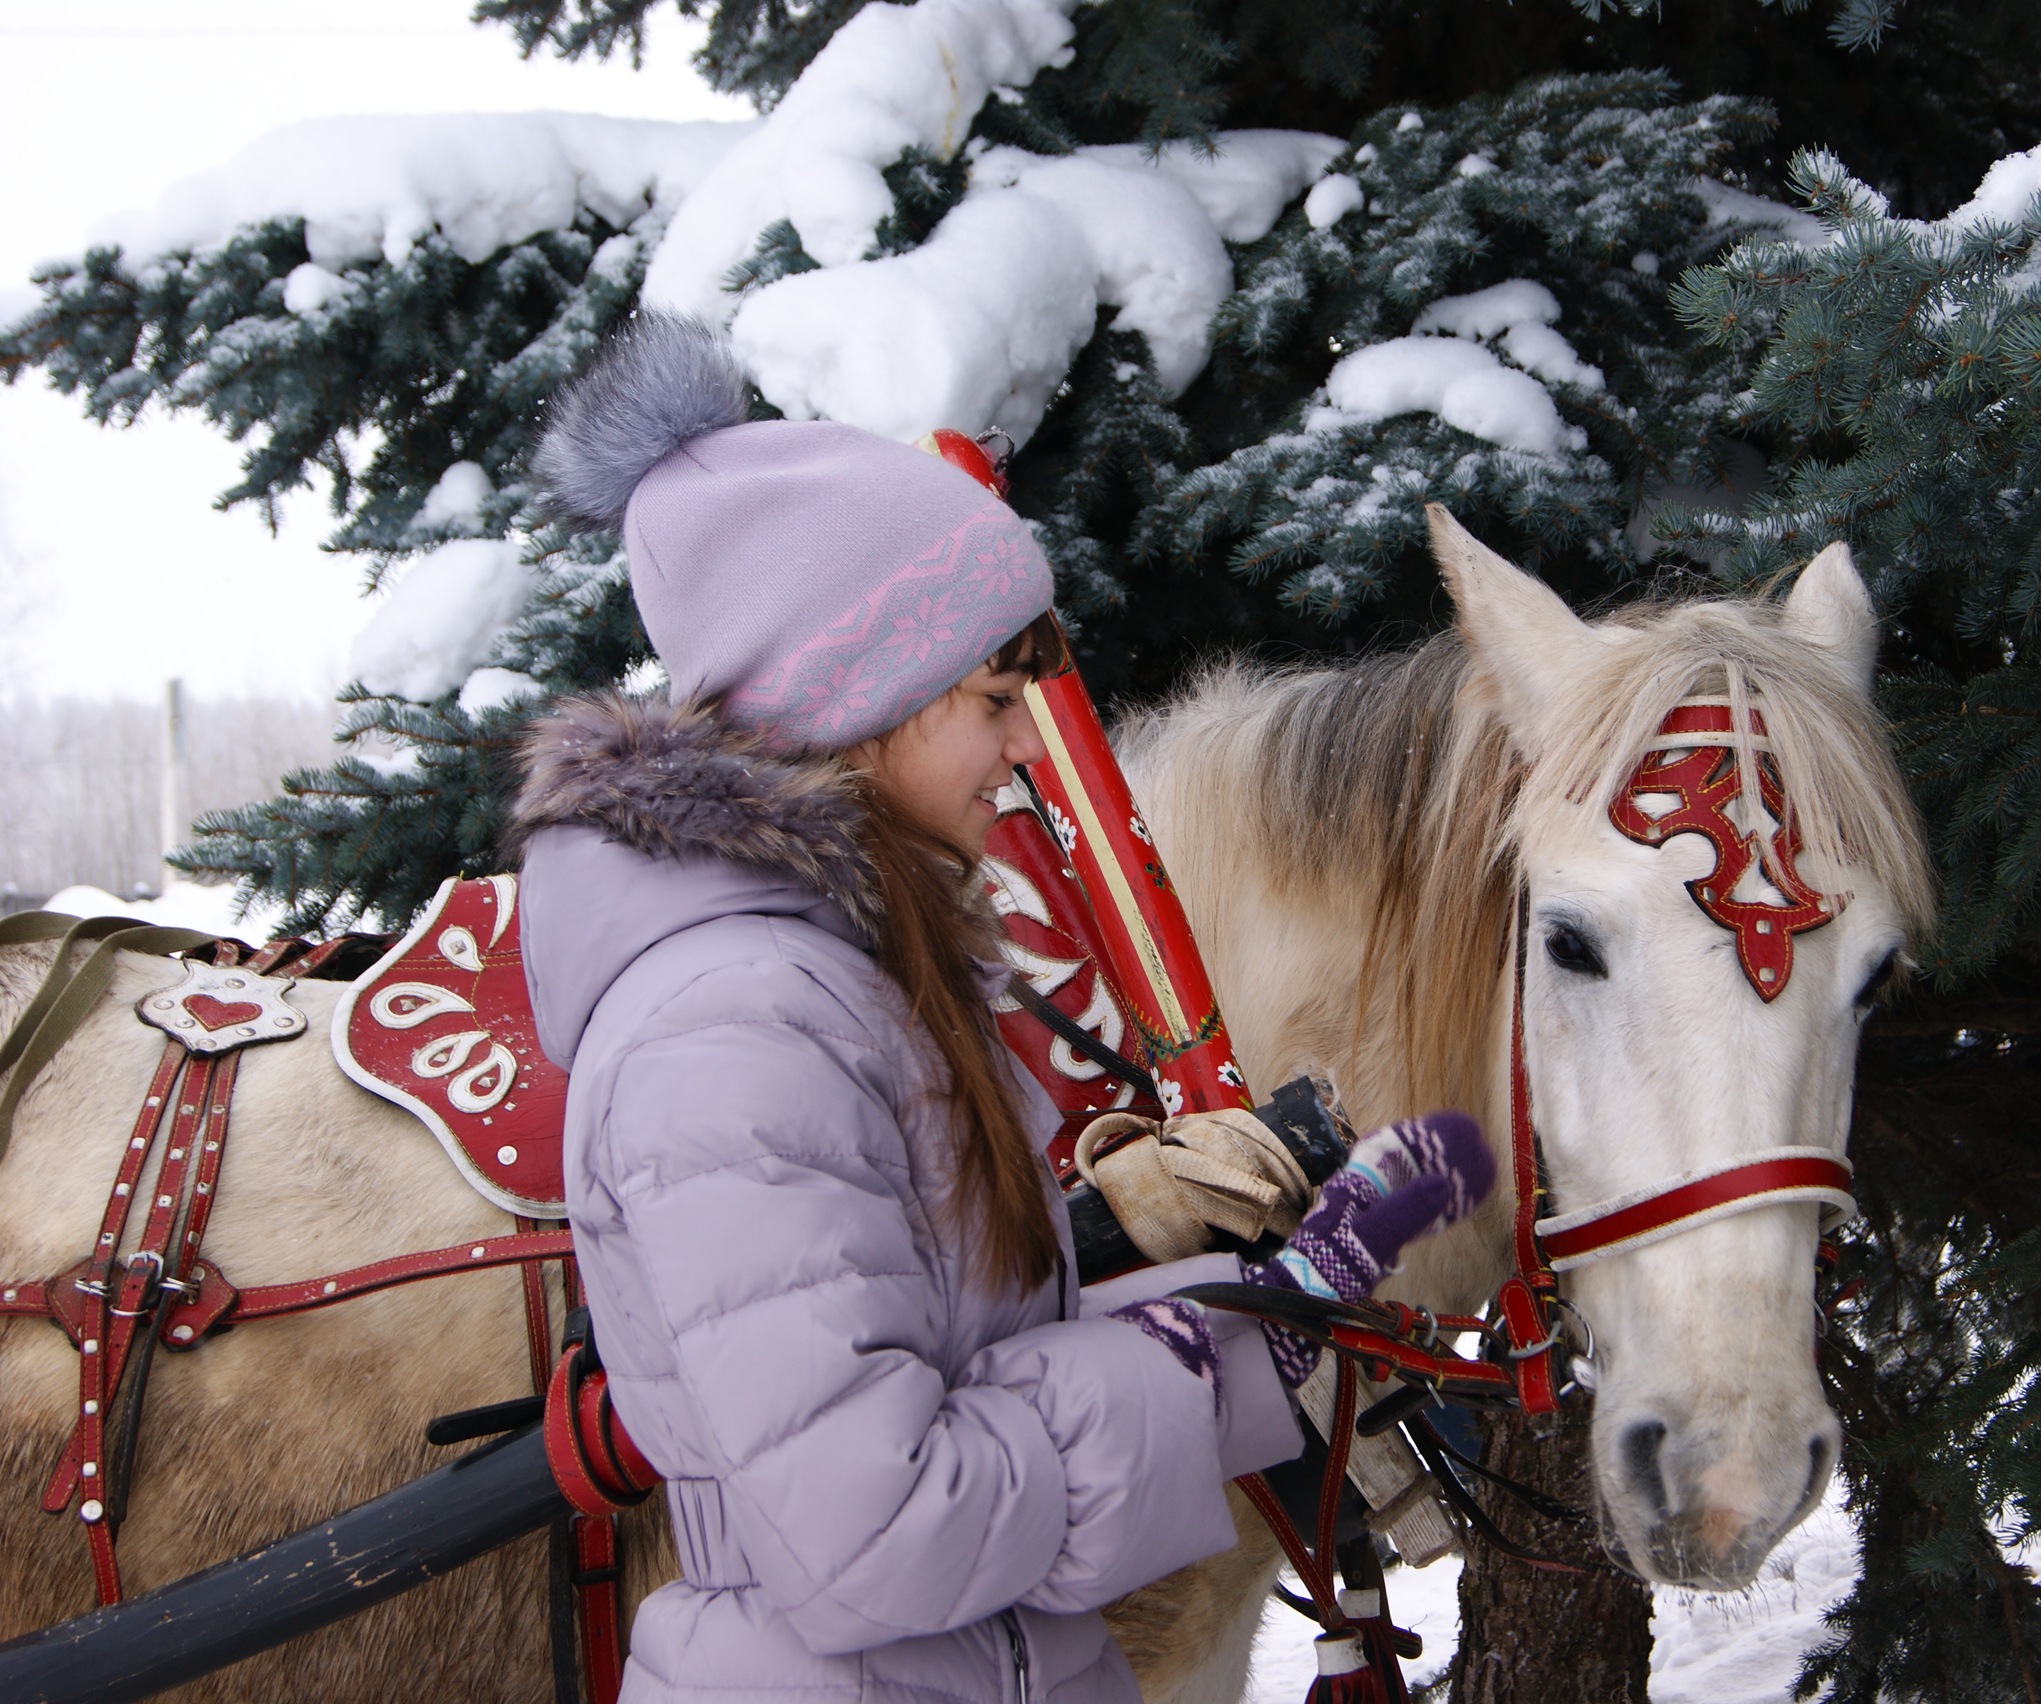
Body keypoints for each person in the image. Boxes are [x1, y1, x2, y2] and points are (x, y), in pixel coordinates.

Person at [509, 315, 1494, 1703]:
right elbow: (883, 1533)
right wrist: (1187, 1368)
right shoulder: (733, 1035)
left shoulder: (849, 987)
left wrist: (1276, 1308)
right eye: (994, 696)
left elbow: (978, 1378)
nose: (1030, 744)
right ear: (858, 701)